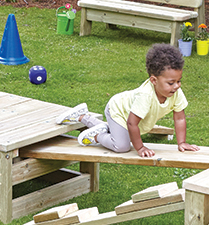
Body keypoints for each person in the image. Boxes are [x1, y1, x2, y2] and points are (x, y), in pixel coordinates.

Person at [56, 43, 199, 158]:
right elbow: (131, 123)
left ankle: (82, 116)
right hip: (118, 110)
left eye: (179, 81)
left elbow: (179, 118)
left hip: (129, 117)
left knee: (121, 135)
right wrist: (140, 147)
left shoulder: (176, 92)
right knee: (122, 146)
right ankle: (97, 136)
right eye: (171, 82)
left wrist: (182, 143)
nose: (177, 86)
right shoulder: (146, 96)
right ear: (154, 80)